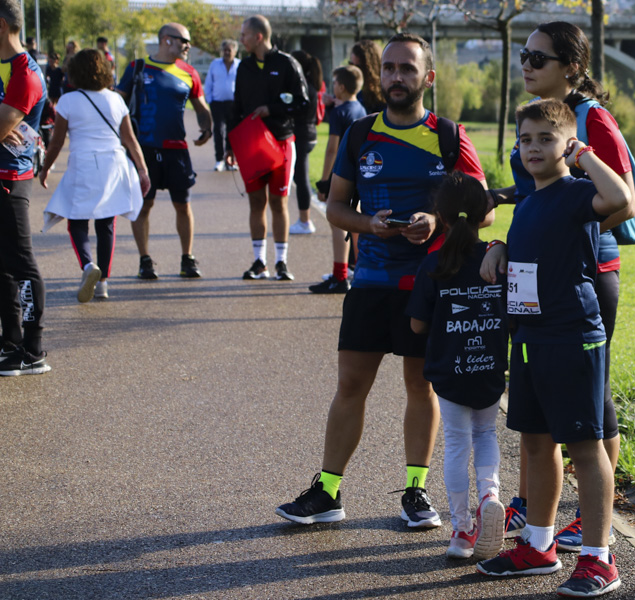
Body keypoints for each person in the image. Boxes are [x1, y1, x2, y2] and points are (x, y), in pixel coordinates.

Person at [275, 33, 487, 532]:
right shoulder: (360, 133)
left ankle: (416, 490)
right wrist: (367, 225)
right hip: (370, 281)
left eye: (407, 69)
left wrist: (439, 223)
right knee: (351, 385)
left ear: (426, 78)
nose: (396, 77)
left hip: (428, 282)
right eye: (389, 68)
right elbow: (336, 207)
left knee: (420, 386)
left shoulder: (450, 136)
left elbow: (482, 214)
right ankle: (328, 491)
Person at [490, 21, 635, 550]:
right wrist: (505, 221)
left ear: (570, 66)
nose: (526, 65)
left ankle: (592, 527)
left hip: (586, 275)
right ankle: (537, 519)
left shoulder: (589, 120)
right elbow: (538, 192)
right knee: (539, 423)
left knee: (588, 410)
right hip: (536, 293)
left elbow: (617, 199)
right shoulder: (535, 122)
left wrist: (570, 219)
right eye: (524, 55)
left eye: (538, 57)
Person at [475, 98, 631, 597]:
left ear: (567, 142)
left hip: (572, 336)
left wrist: (584, 154)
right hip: (530, 338)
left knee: (584, 446)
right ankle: (538, 546)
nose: (534, 147)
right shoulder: (532, 200)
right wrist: (500, 247)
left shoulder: (576, 191)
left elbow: (622, 200)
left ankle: (598, 558)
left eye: (547, 138)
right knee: (538, 441)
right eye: (526, 139)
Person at [407, 172, 507, 560]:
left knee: (456, 441)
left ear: (440, 216)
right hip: (490, 368)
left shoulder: (433, 263)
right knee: (486, 434)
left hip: (450, 371)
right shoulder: (497, 258)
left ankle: (463, 530)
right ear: (485, 214)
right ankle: (490, 496)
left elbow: (417, 324)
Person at [38, 49, 150, 302]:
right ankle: (103, 283)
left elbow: (55, 144)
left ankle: (89, 266)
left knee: (76, 221)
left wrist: (45, 169)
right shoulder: (115, 100)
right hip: (114, 162)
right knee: (106, 223)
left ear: (75, 72)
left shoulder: (68, 101)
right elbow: (131, 141)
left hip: (83, 163)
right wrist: (143, 171)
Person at [117, 22, 212, 280]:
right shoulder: (137, 68)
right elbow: (117, 103)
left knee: (183, 205)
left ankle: (187, 259)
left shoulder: (190, 72)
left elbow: (201, 107)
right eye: (184, 41)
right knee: (144, 205)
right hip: (144, 149)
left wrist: (206, 126)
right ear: (167, 40)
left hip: (176, 150)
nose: (187, 46)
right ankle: (145, 260)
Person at [231, 15, 309, 281]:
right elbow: (237, 106)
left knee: (279, 202)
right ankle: (259, 262)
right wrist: (231, 145)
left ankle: (281, 262)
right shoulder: (244, 67)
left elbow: (303, 103)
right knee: (256, 202)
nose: (241, 39)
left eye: (244, 35)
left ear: (259, 36)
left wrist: (272, 109)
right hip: (252, 145)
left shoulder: (287, 64)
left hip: (281, 143)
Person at [0, 0, 50, 376]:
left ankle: (32, 350)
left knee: (21, 263)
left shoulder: (26, 74)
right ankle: (11, 343)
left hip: (10, 180)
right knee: (3, 266)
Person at [308, 65, 366, 294]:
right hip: (360, 174)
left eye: (334, 84)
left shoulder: (338, 114)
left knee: (337, 224)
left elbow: (332, 149)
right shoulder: (360, 109)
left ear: (341, 87)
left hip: (342, 174)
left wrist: (324, 181)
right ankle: (362, 272)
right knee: (358, 225)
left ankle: (340, 275)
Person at [289, 50, 324, 235]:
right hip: (308, 134)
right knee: (298, 178)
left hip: (302, 135)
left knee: (301, 179)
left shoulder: (304, 87)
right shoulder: (309, 85)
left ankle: (305, 221)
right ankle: (304, 218)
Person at [204, 39, 239, 172]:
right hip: (217, 103)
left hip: (233, 104)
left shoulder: (239, 65)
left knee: (232, 133)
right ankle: (219, 159)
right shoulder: (215, 64)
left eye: (229, 50)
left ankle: (230, 161)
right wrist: (209, 99)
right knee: (218, 130)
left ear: (235, 52)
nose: (227, 52)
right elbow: (208, 82)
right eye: (225, 50)